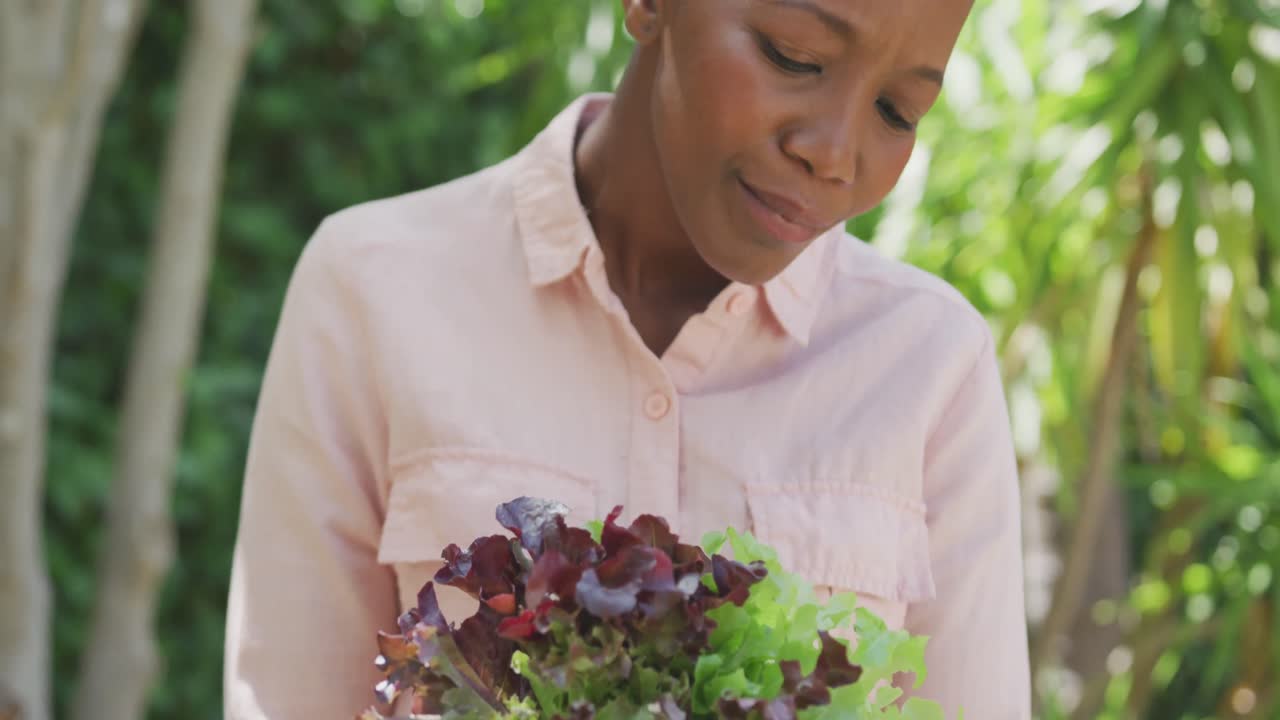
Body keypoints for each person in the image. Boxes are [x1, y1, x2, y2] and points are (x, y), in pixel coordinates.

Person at [223, 0, 1031, 717]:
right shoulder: (374, 287)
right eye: (796, 57)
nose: (834, 152)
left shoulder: (930, 363)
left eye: (897, 109)